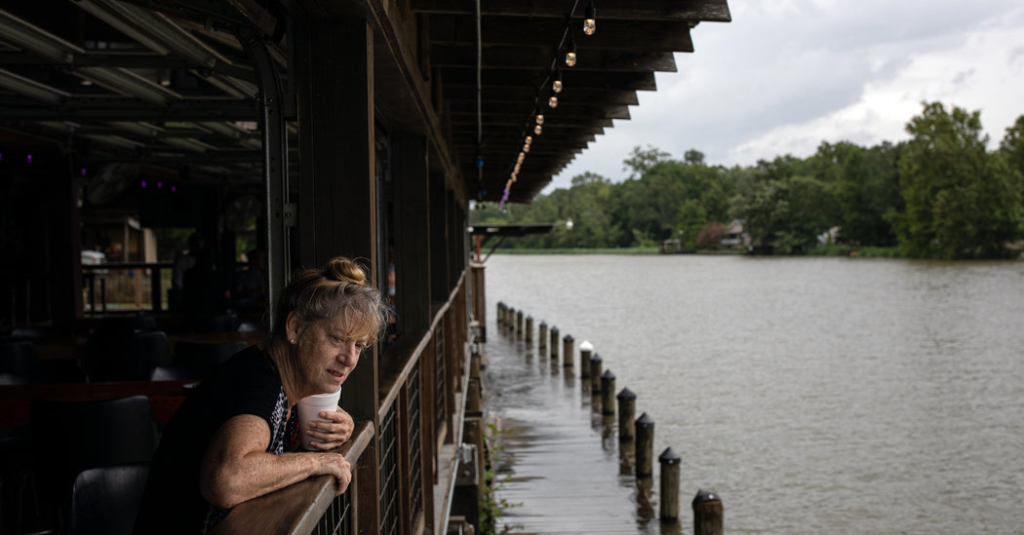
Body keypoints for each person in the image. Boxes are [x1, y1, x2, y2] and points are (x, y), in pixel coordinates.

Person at [135, 257, 388, 534]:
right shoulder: (259, 382)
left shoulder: (283, 381)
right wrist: (316, 462)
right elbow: (227, 480)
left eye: (359, 345)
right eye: (337, 339)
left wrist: (340, 425)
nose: (349, 359)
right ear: (294, 328)